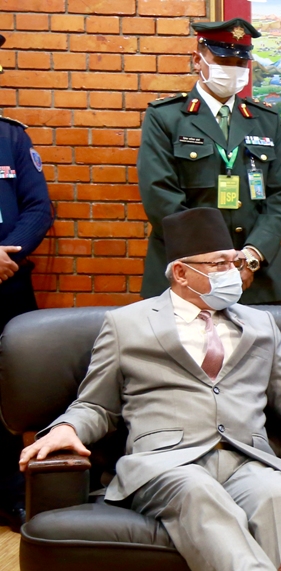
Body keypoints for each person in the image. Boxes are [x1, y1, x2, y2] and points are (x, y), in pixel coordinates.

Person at [19, 207, 281, 571]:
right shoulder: (125, 324)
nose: (234, 272)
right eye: (219, 264)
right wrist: (67, 428)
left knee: (275, 493)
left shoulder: (260, 325)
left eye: (235, 261)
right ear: (182, 273)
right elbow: (96, 405)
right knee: (199, 492)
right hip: (166, 463)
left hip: (247, 460)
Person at [138, 18, 281, 305]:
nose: (232, 69)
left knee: (261, 337)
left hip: (256, 277)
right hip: (186, 273)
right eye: (223, 60)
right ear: (198, 60)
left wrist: (251, 256)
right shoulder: (166, 117)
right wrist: (215, 263)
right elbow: (160, 196)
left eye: (240, 62)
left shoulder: (266, 120)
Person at [0, 32, 55, 531]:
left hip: (7, 283)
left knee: (9, 394)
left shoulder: (11, 137)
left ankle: (11, 496)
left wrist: (5, 255)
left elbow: (39, 207)